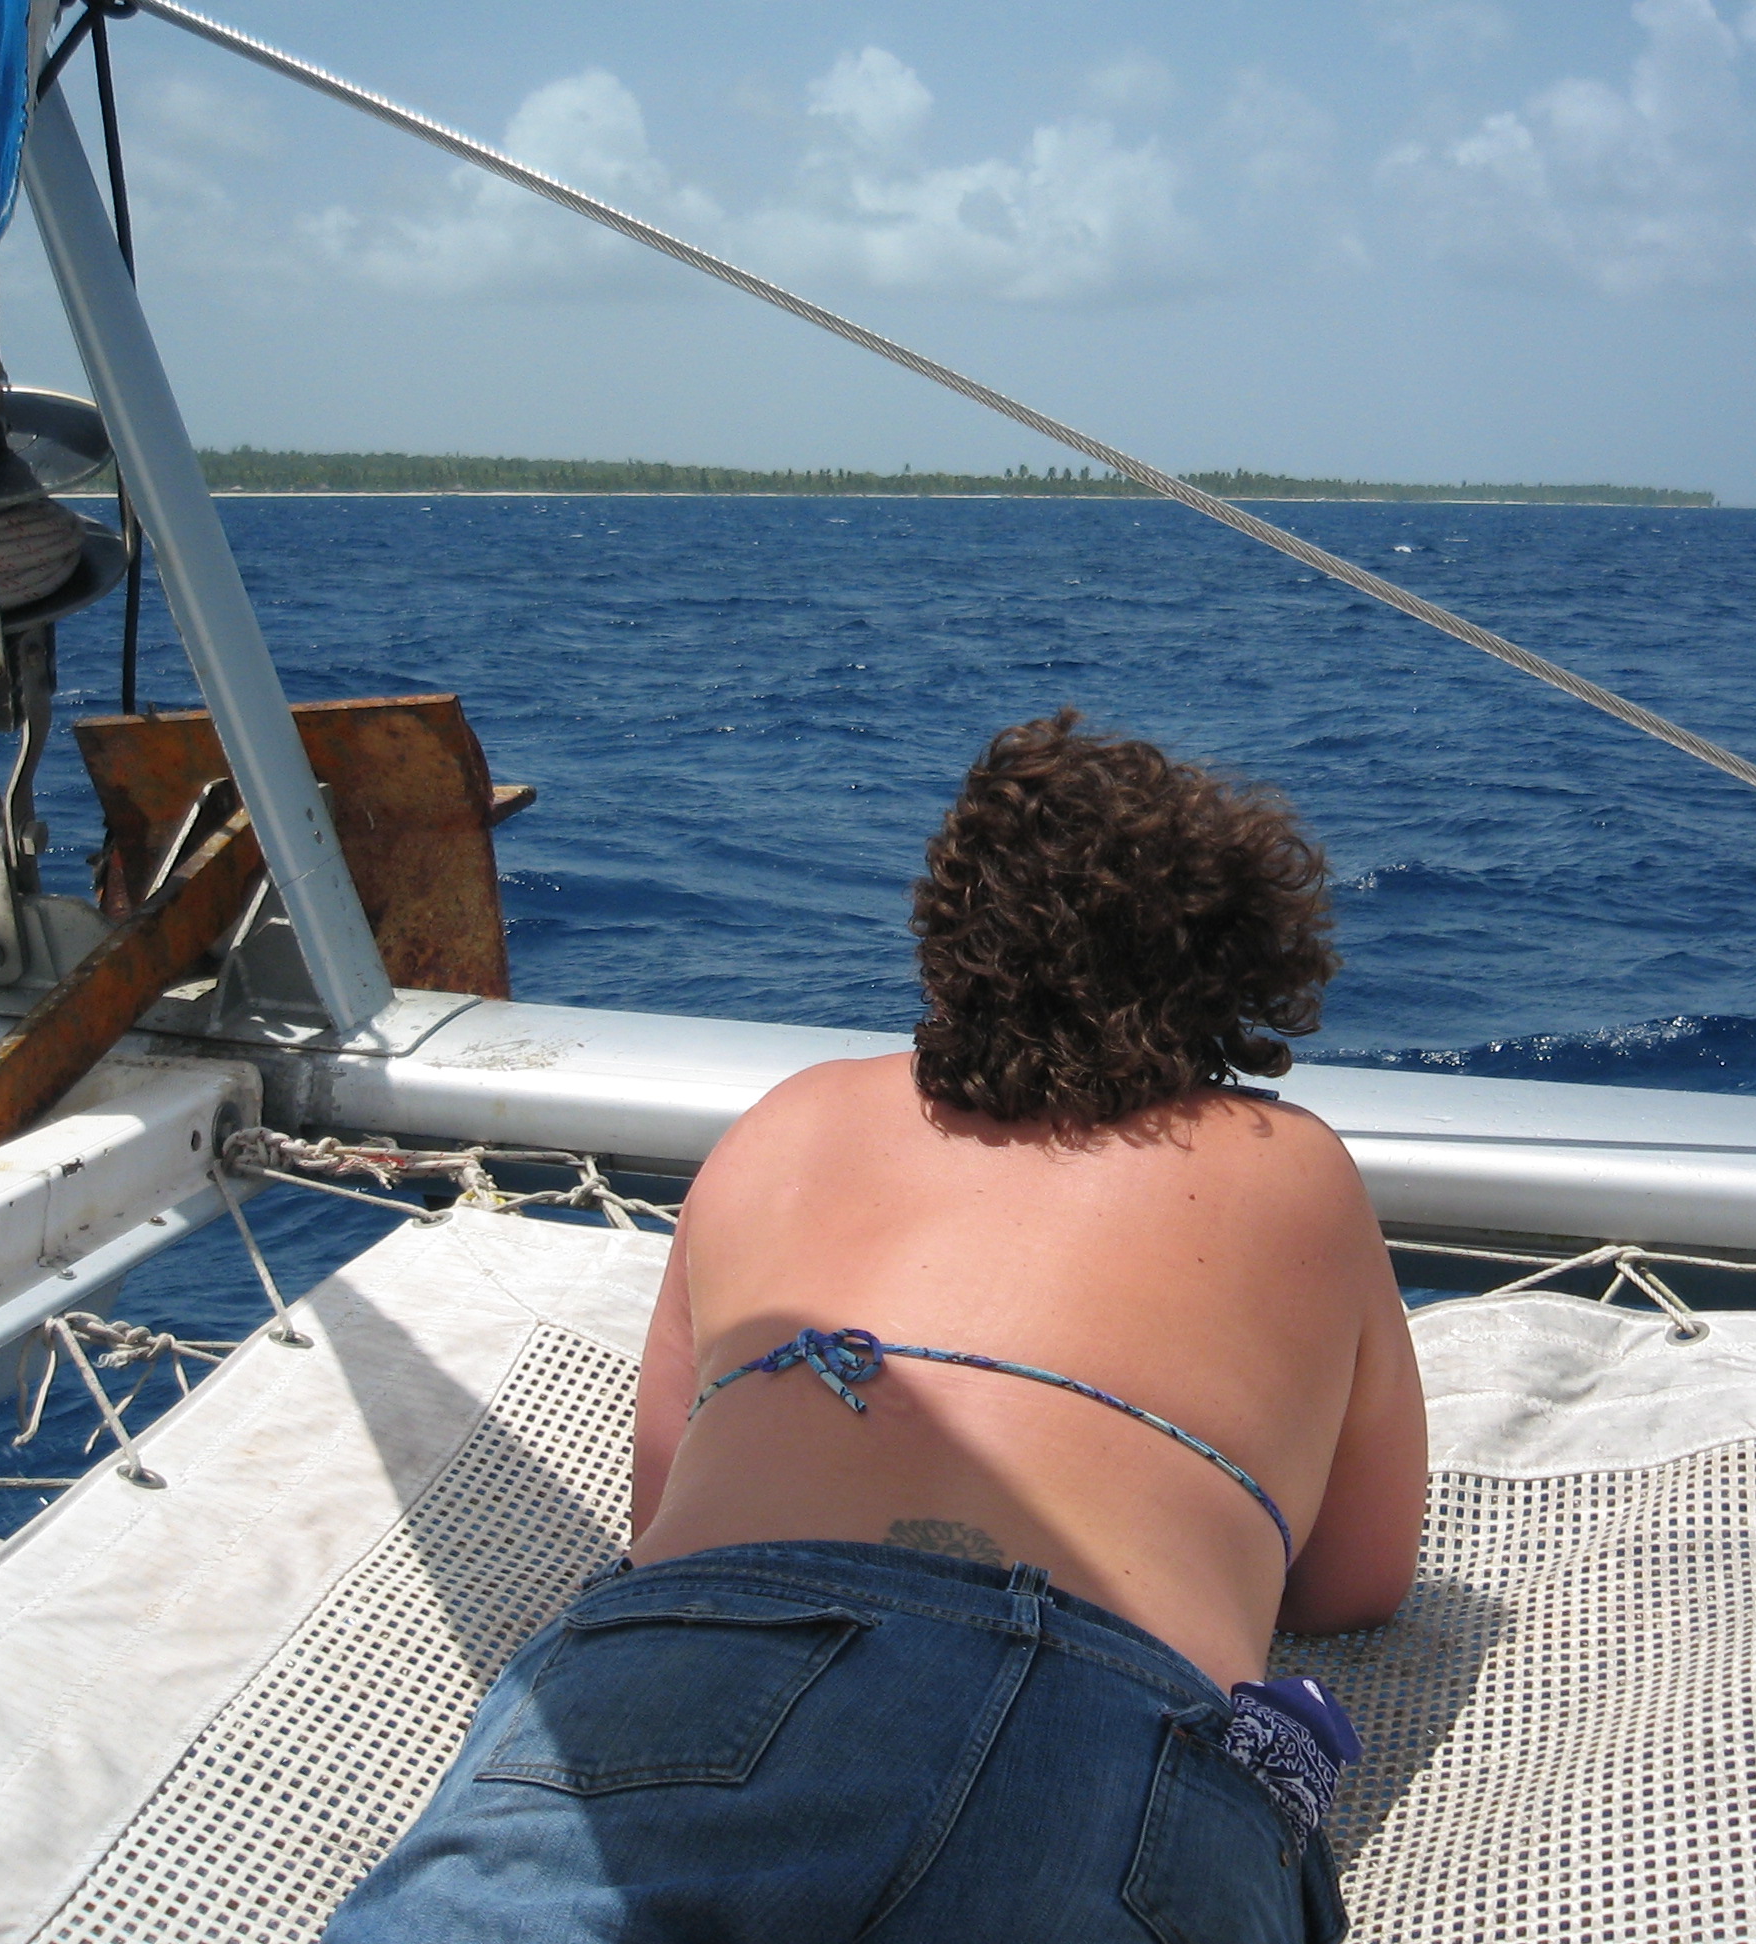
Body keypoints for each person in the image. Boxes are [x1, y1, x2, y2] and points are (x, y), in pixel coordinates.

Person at [329, 710, 1427, 1944]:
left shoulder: (789, 1120)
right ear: (1240, 966)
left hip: (691, 1662)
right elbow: (1357, 1582)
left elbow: (660, 1518)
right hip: (1097, 1724)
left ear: (949, 937)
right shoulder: (1293, 1168)